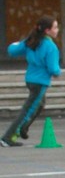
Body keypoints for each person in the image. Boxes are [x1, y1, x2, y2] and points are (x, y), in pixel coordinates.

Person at [2, 16, 61, 147]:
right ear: (47, 30)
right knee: (28, 109)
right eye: (55, 27)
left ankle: (24, 127)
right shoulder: (50, 47)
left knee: (40, 104)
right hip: (40, 82)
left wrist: (16, 43)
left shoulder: (31, 41)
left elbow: (12, 50)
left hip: (30, 79)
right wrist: (58, 72)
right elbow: (53, 68)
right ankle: (8, 137)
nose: (57, 30)